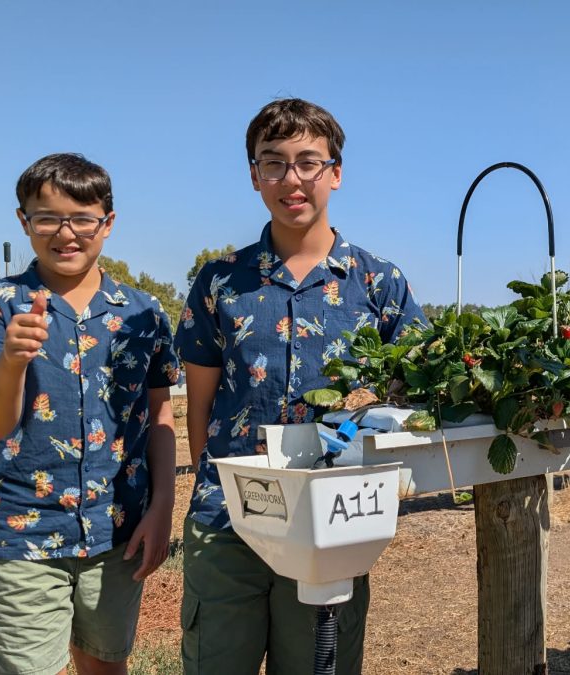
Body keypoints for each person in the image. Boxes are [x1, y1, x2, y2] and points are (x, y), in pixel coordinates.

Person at [175, 98, 426, 674]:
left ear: (335, 172)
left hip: (332, 518)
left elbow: (413, 390)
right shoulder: (221, 281)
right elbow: (203, 398)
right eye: (274, 163)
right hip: (229, 515)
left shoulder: (378, 282)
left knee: (318, 664)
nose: (292, 179)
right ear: (254, 176)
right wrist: (209, 482)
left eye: (308, 162)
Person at [0, 153, 180, 675]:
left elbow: (159, 413)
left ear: (108, 223)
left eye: (82, 219)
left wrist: (162, 505)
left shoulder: (142, 312)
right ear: (24, 222)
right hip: (18, 530)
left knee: (105, 665)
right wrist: (11, 361)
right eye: (48, 218)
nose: (66, 233)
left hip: (116, 529)